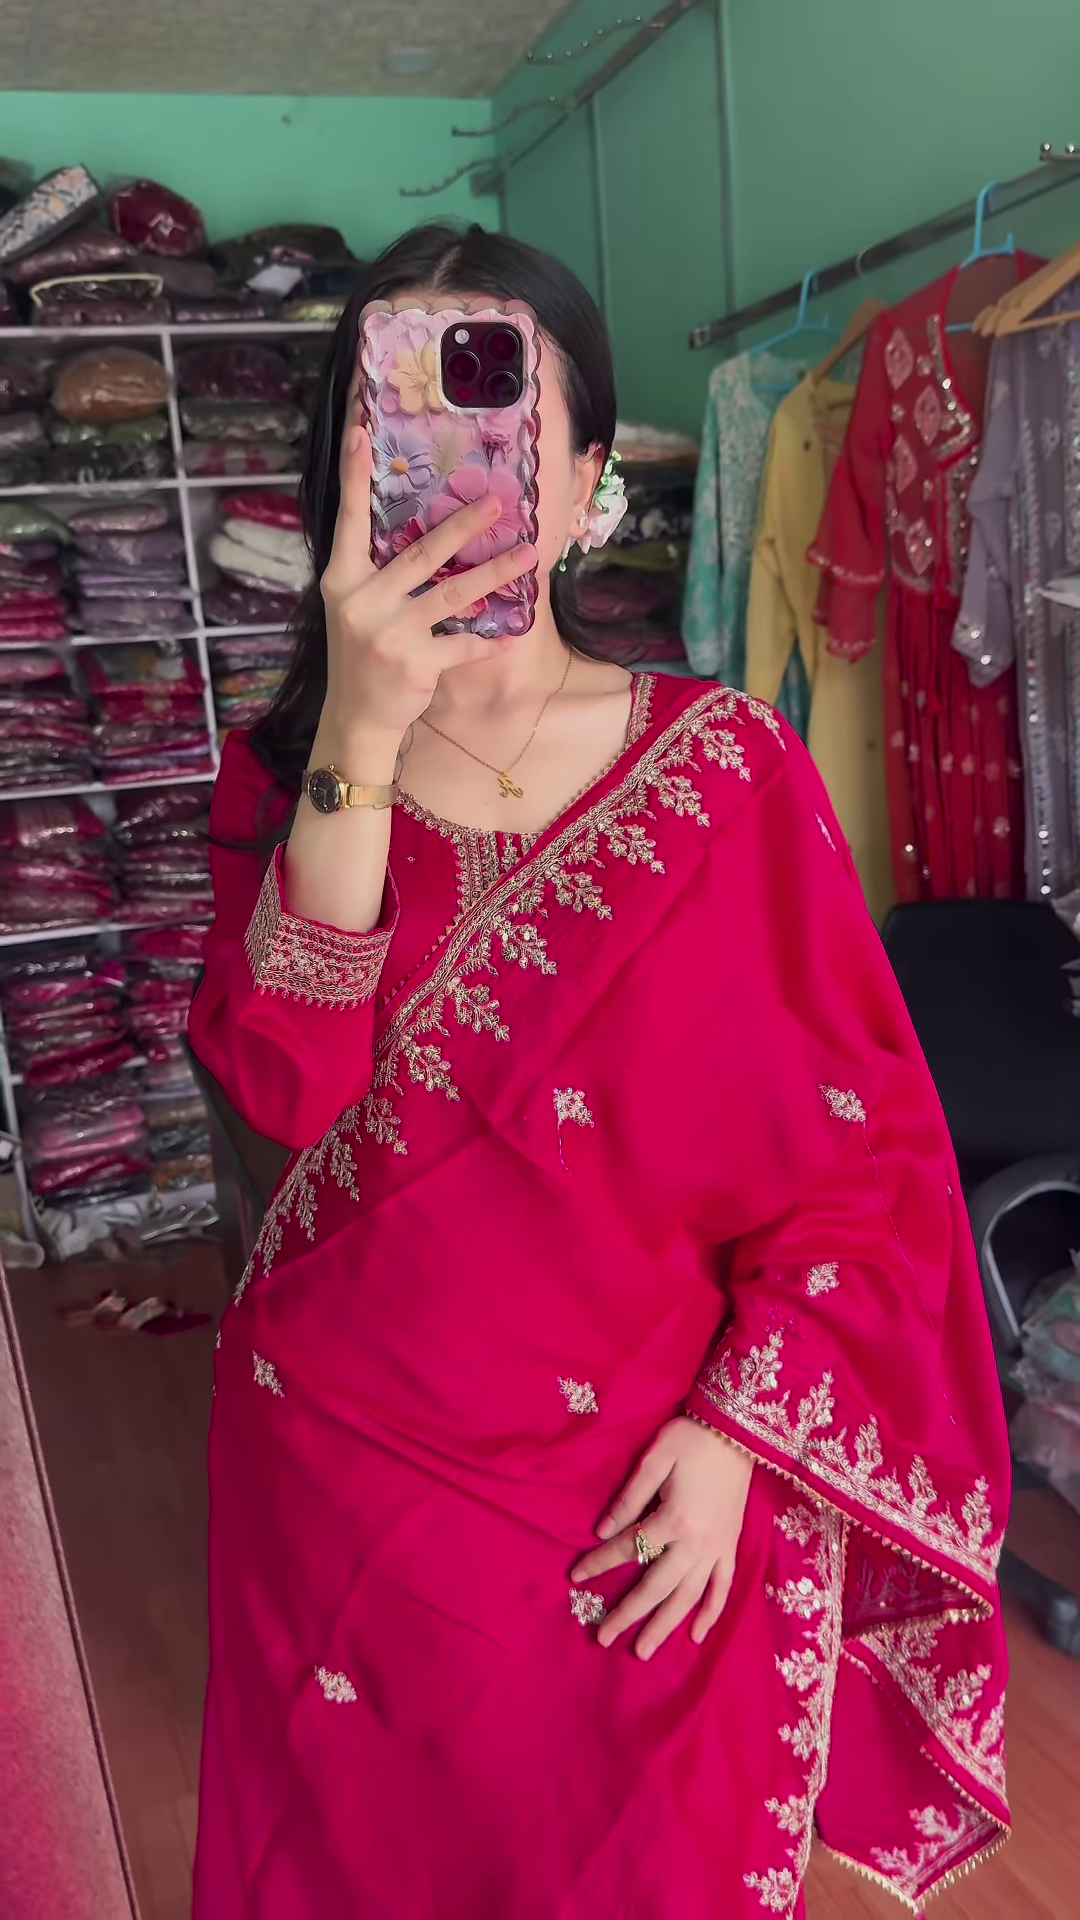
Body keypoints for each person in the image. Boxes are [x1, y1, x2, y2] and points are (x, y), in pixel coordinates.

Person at [189, 224, 1010, 1919]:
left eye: (495, 418)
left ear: (579, 485)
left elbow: (864, 1165)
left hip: (649, 1492)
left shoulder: (730, 775)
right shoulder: (284, 779)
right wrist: (359, 732)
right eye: (391, 424)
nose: (448, 469)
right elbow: (290, 1102)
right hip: (349, 1486)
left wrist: (739, 1439)